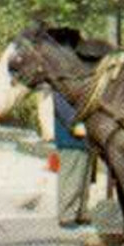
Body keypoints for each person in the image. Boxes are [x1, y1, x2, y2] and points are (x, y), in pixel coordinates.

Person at [40, 88, 93, 228]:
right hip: (71, 136)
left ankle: (81, 212)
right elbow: (63, 108)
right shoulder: (60, 86)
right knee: (71, 178)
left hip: (85, 137)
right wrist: (75, 124)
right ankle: (67, 215)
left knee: (84, 179)